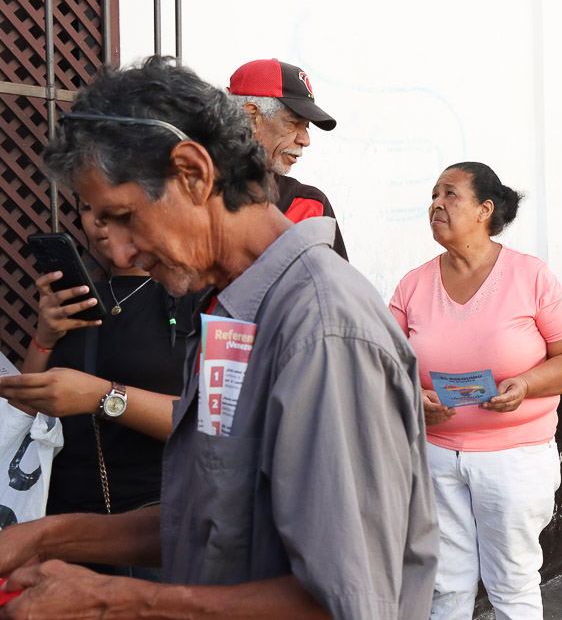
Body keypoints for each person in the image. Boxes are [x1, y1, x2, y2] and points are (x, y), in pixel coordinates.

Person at [0, 57, 437, 619]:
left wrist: (117, 598)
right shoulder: (228, 311)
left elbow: (349, 604)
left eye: (126, 217)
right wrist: (43, 537)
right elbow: (207, 519)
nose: (122, 251)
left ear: (193, 173)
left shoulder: (322, 330)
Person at [390, 162, 562, 619]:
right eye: (433, 195)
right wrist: (409, 392)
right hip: (436, 454)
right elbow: (383, 361)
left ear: (485, 209)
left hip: (514, 458)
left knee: (512, 581)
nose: (436, 204)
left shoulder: (530, 276)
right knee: (445, 585)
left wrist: (526, 384)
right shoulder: (413, 283)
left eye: (449, 194)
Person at [1, 198, 187, 583]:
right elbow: (21, 414)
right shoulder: (79, 297)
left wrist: (102, 396)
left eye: (115, 203)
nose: (99, 222)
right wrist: (44, 338)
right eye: (87, 206)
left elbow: (210, 423)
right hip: (52, 526)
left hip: (147, 535)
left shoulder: (190, 298)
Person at [229, 58, 348, 260]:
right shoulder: (192, 193)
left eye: (307, 127)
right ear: (251, 117)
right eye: (293, 124)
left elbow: (337, 290)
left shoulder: (313, 206)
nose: (305, 140)